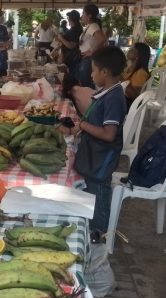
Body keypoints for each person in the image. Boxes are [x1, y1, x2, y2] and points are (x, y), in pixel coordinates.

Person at [69, 46, 127, 235]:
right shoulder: (105, 93)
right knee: (90, 194)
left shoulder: (114, 98)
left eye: (93, 70)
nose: (91, 74)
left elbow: (109, 134)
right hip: (93, 156)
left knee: (99, 196)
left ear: (105, 72)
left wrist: (84, 126)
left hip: (101, 161)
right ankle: (91, 229)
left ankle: (99, 235)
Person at [77, 4, 106, 88]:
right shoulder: (90, 26)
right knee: (85, 83)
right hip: (86, 59)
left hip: (88, 60)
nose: (81, 16)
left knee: (86, 84)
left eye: (83, 13)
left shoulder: (93, 26)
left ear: (89, 15)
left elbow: (102, 39)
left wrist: (92, 51)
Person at [122, 42, 151, 110]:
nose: (129, 50)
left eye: (132, 49)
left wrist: (120, 79)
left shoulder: (141, 73)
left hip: (129, 106)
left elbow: (135, 96)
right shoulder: (129, 69)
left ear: (138, 54)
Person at [56, 10, 84, 77]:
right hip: (69, 58)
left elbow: (71, 46)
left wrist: (61, 38)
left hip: (72, 59)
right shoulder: (73, 28)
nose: (68, 19)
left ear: (71, 19)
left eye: (69, 17)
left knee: (71, 77)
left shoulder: (76, 29)